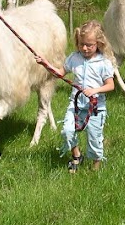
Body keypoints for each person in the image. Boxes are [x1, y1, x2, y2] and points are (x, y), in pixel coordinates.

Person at [36, 20, 115, 172]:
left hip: (95, 107)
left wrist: (95, 90)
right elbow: (60, 73)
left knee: (94, 138)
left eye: (89, 45)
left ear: (98, 43)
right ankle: (77, 156)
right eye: (81, 44)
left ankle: (95, 168)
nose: (84, 48)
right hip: (76, 104)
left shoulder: (103, 63)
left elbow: (110, 85)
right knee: (67, 131)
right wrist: (45, 63)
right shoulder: (74, 58)